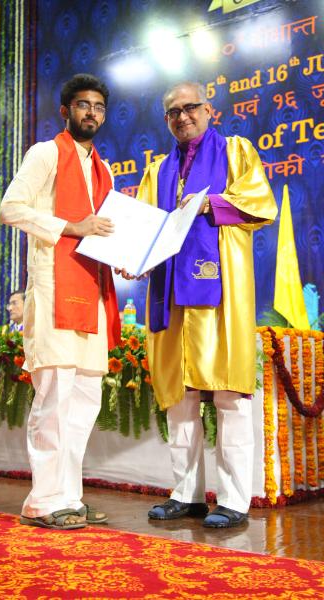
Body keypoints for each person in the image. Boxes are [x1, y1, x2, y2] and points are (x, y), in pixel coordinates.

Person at [137, 82, 278, 528]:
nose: (182, 116)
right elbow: (143, 228)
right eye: (173, 112)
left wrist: (207, 204)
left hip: (219, 294)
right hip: (169, 294)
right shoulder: (157, 171)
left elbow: (261, 204)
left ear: (209, 110)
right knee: (181, 399)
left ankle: (234, 500)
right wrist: (133, 258)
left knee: (229, 395)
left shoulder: (236, 152)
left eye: (190, 107)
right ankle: (187, 495)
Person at [0, 73, 121, 530]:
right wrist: (73, 227)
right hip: (53, 291)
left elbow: (104, 231)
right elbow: (10, 208)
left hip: (92, 292)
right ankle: (42, 501)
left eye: (99, 107)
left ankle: (69, 497)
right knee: (54, 398)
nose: (92, 113)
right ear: (66, 111)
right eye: (83, 105)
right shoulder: (46, 153)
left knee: (84, 403)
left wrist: (125, 259)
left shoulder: (104, 170)